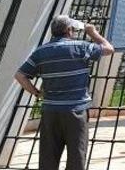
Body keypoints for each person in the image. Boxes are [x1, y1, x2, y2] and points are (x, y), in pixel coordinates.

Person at [14, 15, 114, 170]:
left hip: (50, 111)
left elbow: (20, 75)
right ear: (68, 30)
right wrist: (93, 33)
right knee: (76, 155)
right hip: (76, 111)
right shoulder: (81, 47)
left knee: (48, 157)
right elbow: (109, 49)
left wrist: (37, 93)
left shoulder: (41, 52)